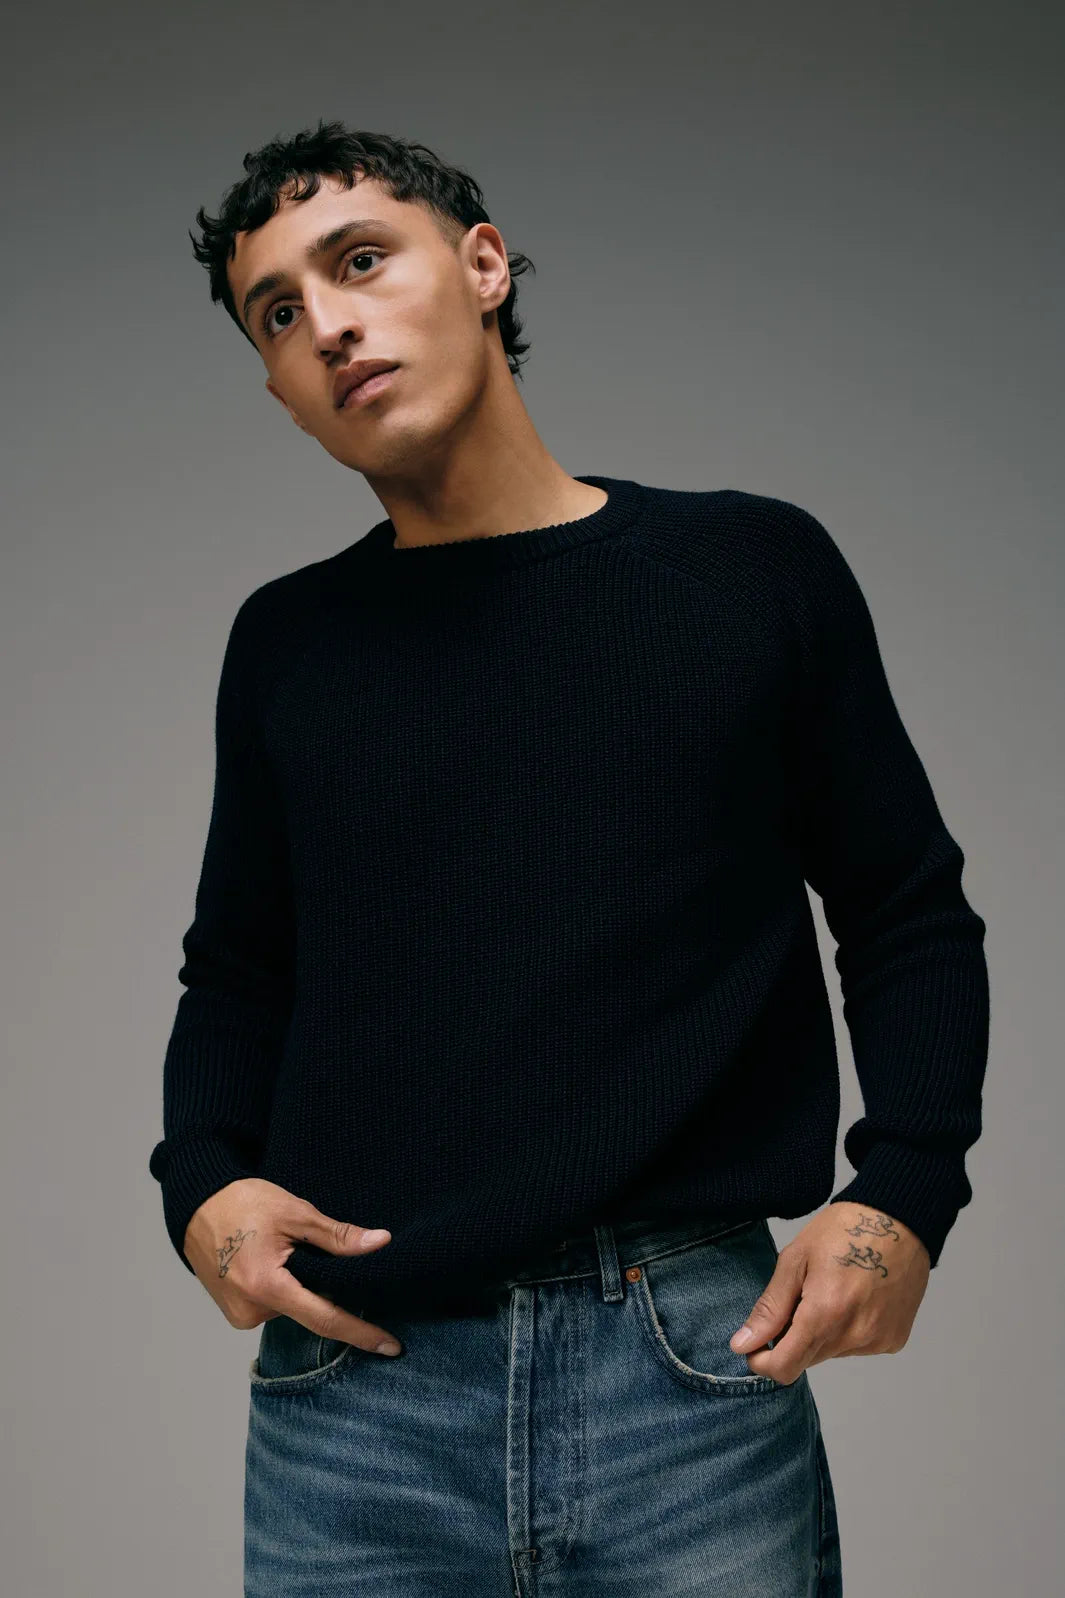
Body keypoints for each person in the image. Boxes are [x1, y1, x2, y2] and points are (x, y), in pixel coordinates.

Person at [149, 120, 989, 1596]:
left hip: (683, 1369)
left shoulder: (746, 572)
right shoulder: (286, 646)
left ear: (483, 266)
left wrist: (907, 1189)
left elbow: (904, 907)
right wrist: (202, 1187)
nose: (326, 323)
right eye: (276, 313)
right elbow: (239, 971)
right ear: (276, 385)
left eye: (359, 261)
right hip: (357, 1403)